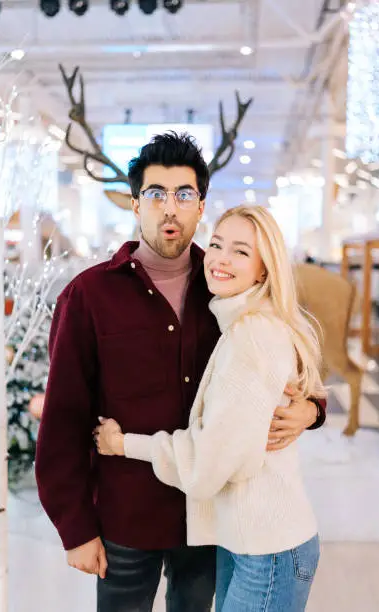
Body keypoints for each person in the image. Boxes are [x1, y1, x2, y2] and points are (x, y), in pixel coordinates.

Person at [35, 133, 326, 612]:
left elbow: (291, 358)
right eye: (155, 194)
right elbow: (64, 417)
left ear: (200, 205)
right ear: (135, 204)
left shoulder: (229, 291)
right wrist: (75, 528)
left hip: (209, 523)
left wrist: (310, 409)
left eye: (184, 195)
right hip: (126, 520)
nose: (170, 208)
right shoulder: (89, 296)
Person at [95, 205, 327, 612]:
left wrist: (123, 444)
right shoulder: (244, 320)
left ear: (264, 269)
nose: (219, 258)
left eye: (240, 251)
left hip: (267, 548)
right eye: (217, 244)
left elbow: (206, 464)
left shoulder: (250, 336)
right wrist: (311, 408)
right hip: (251, 540)